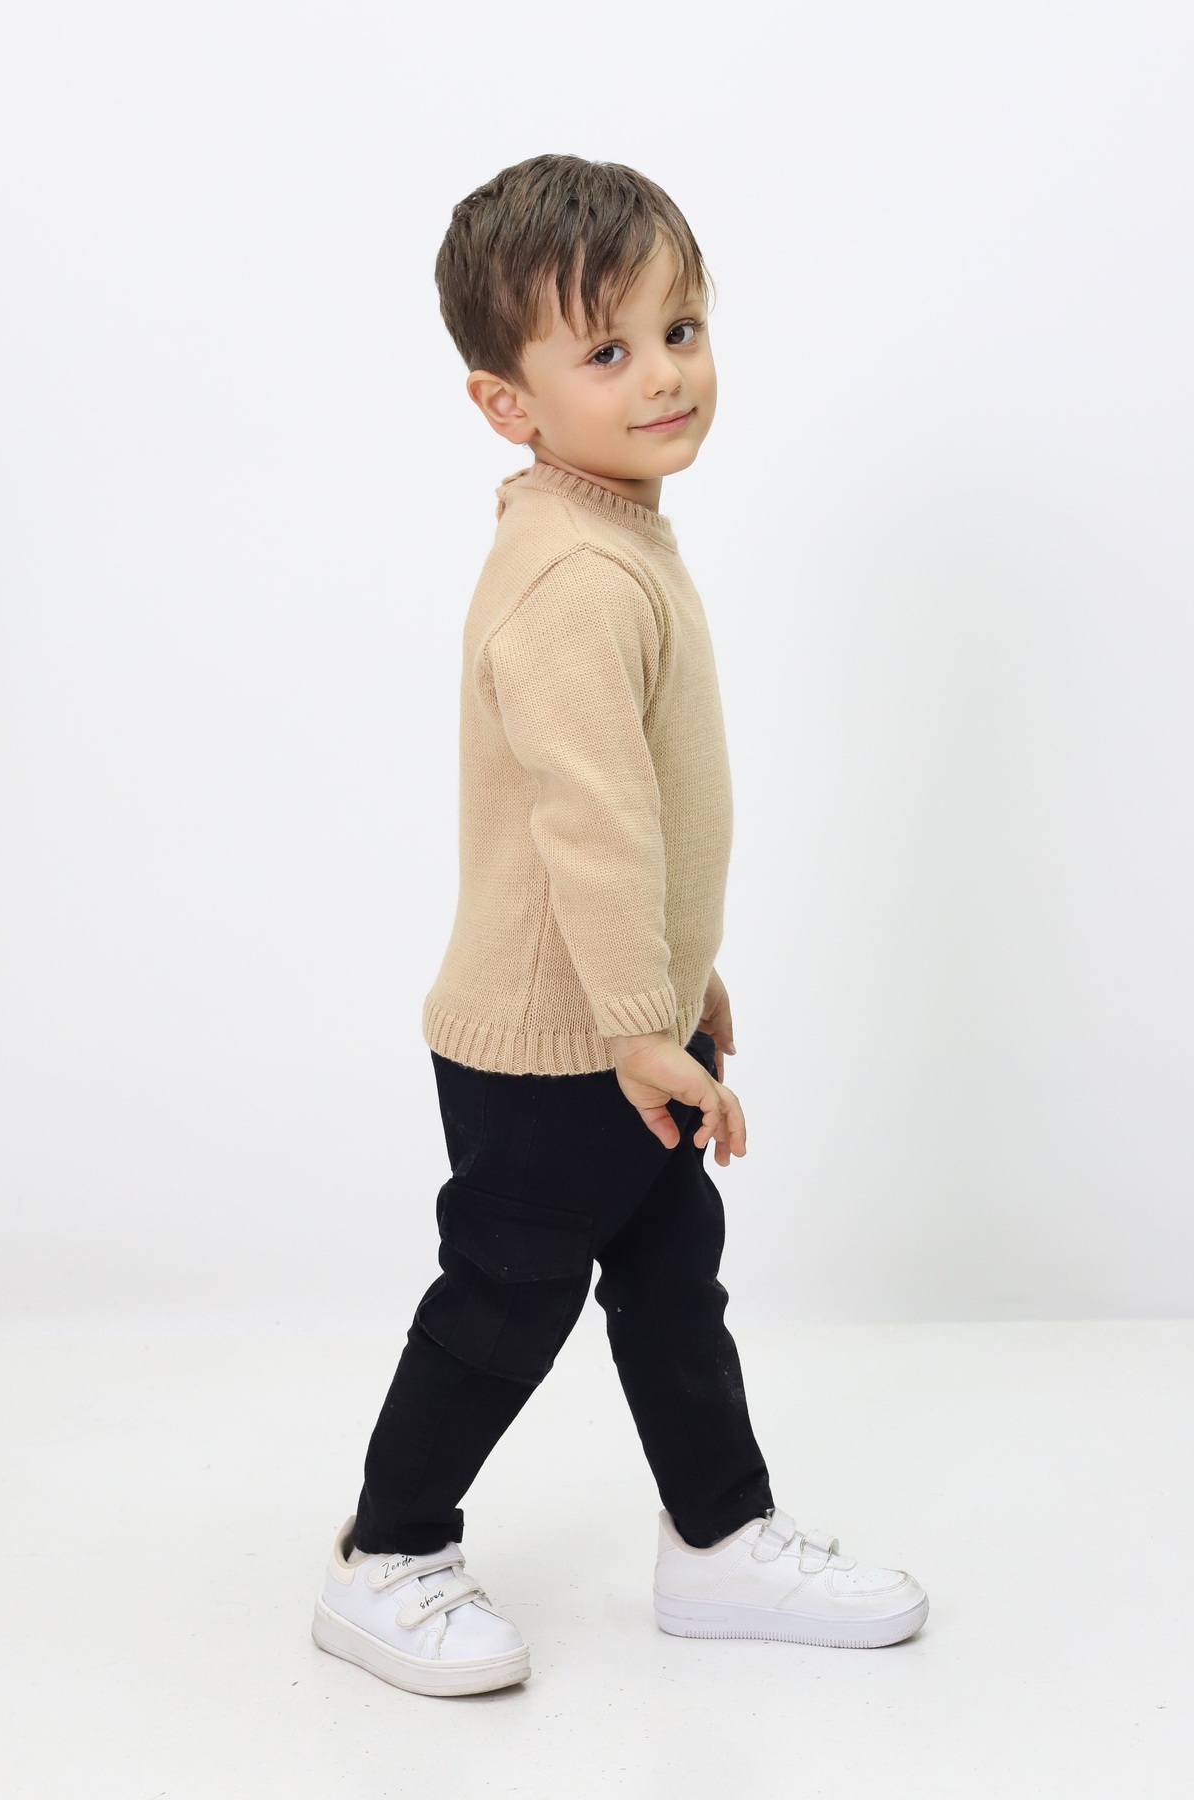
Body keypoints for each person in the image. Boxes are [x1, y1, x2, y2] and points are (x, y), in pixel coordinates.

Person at [310, 154, 928, 1698]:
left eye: (681, 328)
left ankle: (718, 1537)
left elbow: (644, 814)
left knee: (670, 1277)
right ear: (504, 402)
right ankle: (387, 1556)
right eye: (607, 349)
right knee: (508, 1295)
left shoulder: (618, 533)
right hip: (553, 1046)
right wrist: (639, 1026)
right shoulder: (573, 576)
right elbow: (590, 822)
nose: (664, 374)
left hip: (623, 1019)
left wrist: (679, 981)